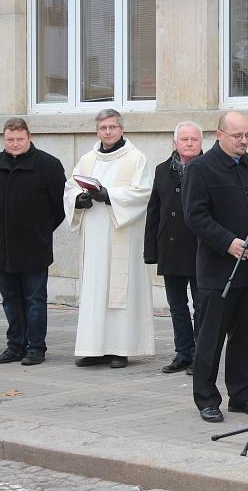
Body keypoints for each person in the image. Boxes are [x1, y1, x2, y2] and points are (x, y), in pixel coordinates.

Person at [182, 111, 248, 423]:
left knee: (247, 336)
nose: (243, 141)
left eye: (247, 135)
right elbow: (195, 216)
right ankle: (207, 398)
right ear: (220, 134)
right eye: (237, 135)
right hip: (218, 271)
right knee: (211, 337)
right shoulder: (200, 168)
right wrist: (228, 242)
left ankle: (241, 395)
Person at [64, 109, 154, 369]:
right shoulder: (87, 159)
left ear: (121, 129)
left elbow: (143, 193)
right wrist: (78, 200)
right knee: (95, 289)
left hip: (121, 235)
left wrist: (110, 195)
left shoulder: (136, 158)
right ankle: (93, 348)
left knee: (119, 290)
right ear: (97, 130)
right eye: (103, 128)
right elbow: (70, 188)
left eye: (112, 127)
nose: (107, 132)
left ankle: (119, 349)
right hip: (93, 235)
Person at [0, 118, 65, 366]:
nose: (15, 144)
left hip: (34, 246)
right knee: (10, 300)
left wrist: (40, 230)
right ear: (3, 140)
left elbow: (59, 207)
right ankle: (14, 345)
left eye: (19, 139)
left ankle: (36, 347)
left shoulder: (48, 165)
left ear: (29, 137)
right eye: (10, 140)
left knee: (35, 300)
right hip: (2, 246)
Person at [144, 121, 203, 375]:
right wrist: (150, 251)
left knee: (202, 305)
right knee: (177, 305)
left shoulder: (209, 168)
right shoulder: (161, 170)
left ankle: (202, 354)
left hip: (202, 250)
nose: (189, 144)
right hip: (170, 249)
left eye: (194, 139)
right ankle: (183, 353)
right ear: (175, 143)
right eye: (184, 139)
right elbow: (153, 211)